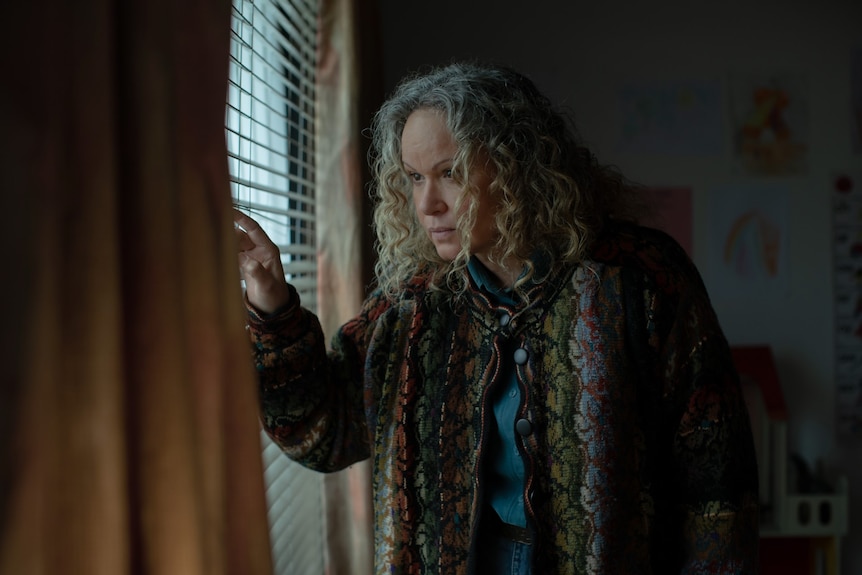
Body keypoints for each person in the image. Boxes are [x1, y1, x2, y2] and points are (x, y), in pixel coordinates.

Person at [234, 60, 759, 575]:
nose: (427, 204)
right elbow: (321, 431)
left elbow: (716, 476)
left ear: (518, 166)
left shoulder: (637, 278)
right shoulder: (410, 308)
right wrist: (272, 302)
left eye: (450, 173)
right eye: (414, 178)